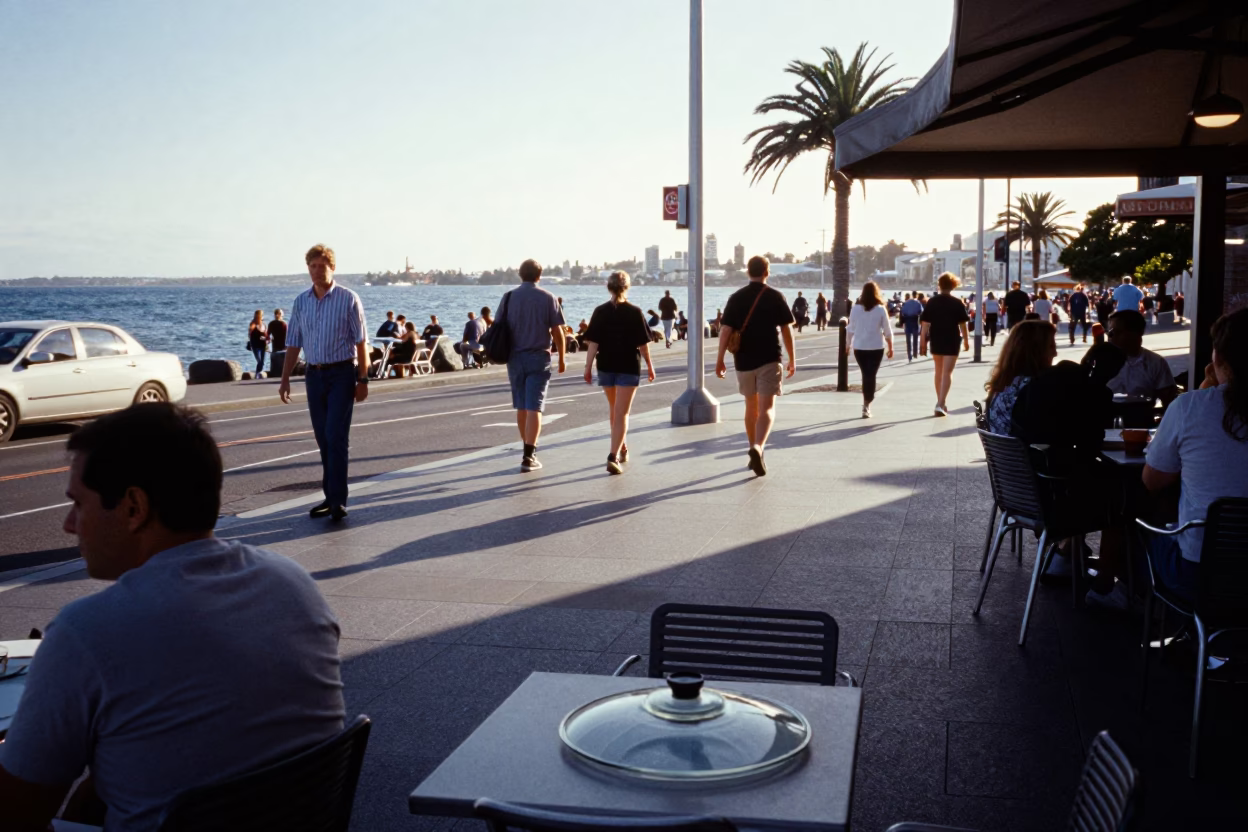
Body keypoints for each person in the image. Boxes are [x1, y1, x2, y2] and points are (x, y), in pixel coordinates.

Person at [0, 403, 343, 831]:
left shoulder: (87, 632)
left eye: (78, 504)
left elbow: (17, 815)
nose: (70, 525)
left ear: (133, 508)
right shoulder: (291, 584)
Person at [1142, 308, 1248, 601]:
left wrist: (1204, 391)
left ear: (1219, 357)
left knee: (1139, 525)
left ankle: (1122, 599)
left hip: (1202, 575)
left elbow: (1152, 481)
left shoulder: (1191, 407)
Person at [279, 244, 369, 521]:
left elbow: (361, 341)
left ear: (333, 268)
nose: (317, 271)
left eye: (322, 266)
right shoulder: (301, 301)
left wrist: (363, 379)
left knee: (335, 435)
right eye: (312, 266)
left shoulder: (348, 298)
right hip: (313, 376)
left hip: (342, 373)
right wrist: (284, 379)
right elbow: (294, 342)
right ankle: (330, 497)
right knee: (322, 439)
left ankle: (338, 500)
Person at [715, 256, 796, 477]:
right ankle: (758, 447)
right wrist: (792, 358)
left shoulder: (736, 297)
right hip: (769, 358)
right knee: (767, 408)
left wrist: (720, 358)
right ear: (767, 272)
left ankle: (753, 447)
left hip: (743, 360)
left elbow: (725, 331)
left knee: (751, 407)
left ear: (748, 271)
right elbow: (787, 330)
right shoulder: (775, 296)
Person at [495, 259, 566, 472]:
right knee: (535, 405)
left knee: (522, 405)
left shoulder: (508, 298)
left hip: (514, 357)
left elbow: (498, 325)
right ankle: (529, 454)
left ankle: (526, 449)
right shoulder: (548, 298)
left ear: (520, 274)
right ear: (539, 275)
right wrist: (562, 357)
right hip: (539, 356)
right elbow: (558, 331)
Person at [582, 271, 655, 475]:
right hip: (628, 366)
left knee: (615, 410)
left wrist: (587, 367)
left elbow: (593, 343)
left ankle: (621, 446)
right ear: (627, 287)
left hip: (605, 365)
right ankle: (613, 456)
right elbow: (643, 345)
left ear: (609, 287)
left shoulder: (600, 311)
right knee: (622, 413)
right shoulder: (635, 311)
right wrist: (650, 365)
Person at [983, 320, 1057, 434]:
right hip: (1027, 451)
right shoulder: (1033, 389)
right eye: (1051, 346)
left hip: (1005, 451)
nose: (1055, 353)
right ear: (1035, 351)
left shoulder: (1005, 384)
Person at [1103, 310, 1178, 406]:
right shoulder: (1102, 361)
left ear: (1138, 332)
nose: (1110, 337)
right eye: (1109, 333)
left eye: (1117, 332)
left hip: (1141, 417)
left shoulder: (1155, 363)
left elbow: (1169, 401)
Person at [920, 272, 971, 417]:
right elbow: (963, 325)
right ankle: (941, 403)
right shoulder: (957, 302)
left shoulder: (932, 302)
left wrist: (922, 342)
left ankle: (940, 402)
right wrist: (967, 341)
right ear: (953, 285)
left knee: (938, 371)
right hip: (952, 339)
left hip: (936, 338)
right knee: (947, 372)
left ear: (939, 285)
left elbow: (925, 324)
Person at [846, 281, 894, 419]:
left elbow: (850, 329)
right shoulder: (880, 309)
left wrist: (847, 345)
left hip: (860, 347)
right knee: (870, 375)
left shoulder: (855, 309)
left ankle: (866, 403)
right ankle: (867, 404)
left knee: (865, 374)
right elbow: (887, 330)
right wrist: (891, 347)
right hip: (876, 347)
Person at [900, 292, 924, 360]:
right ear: (916, 295)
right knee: (915, 339)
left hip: (908, 321)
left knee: (908, 339)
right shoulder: (918, 303)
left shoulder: (906, 303)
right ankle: (915, 353)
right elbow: (921, 311)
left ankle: (909, 354)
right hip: (915, 320)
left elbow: (903, 312)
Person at [247, 309, 267, 376]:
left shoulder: (264, 324)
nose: (257, 317)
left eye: (259, 316)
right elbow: (249, 333)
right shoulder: (253, 324)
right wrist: (250, 332)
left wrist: (267, 339)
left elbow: (266, 334)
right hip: (255, 345)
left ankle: (258, 373)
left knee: (262, 362)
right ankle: (257, 374)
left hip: (263, 345)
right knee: (259, 361)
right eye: (256, 316)